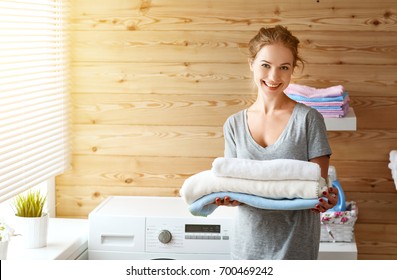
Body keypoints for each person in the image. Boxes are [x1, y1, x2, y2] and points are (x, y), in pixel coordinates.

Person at [214, 25, 338, 260]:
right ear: (251, 63)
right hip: (247, 246)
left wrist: (326, 198)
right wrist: (227, 197)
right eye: (265, 65)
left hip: (295, 246)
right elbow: (233, 184)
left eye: (284, 67)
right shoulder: (234, 124)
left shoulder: (308, 119)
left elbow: (318, 186)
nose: (273, 77)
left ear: (293, 70)